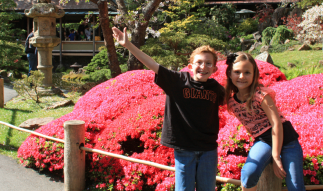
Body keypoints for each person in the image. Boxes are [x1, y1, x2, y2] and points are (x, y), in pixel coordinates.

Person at [112, 27, 225, 191]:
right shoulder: (178, 81)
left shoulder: (216, 89)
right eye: (199, 62)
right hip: (184, 149)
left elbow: (236, 100)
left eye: (208, 63)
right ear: (190, 66)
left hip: (208, 149)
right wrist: (128, 45)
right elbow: (152, 64)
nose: (203, 66)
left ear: (214, 69)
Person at [224, 52, 305, 191]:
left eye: (247, 72)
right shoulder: (231, 101)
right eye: (237, 72)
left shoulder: (261, 95)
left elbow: (276, 123)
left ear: (254, 75)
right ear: (230, 74)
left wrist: (276, 156)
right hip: (264, 141)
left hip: (287, 141)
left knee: (295, 186)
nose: (241, 76)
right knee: (249, 173)